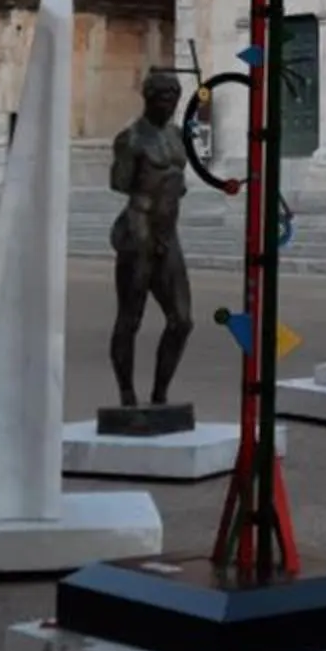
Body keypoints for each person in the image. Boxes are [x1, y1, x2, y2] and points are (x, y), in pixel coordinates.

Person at [109, 67, 193, 406]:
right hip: (138, 230)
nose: (169, 103)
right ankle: (127, 394)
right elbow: (120, 182)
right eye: (162, 97)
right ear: (148, 97)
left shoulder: (175, 135)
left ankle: (160, 394)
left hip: (168, 231)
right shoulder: (130, 139)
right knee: (131, 318)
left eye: (174, 97)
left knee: (182, 320)